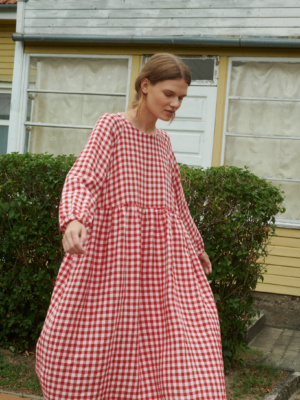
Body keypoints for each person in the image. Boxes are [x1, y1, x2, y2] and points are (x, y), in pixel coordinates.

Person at [36, 53, 227, 400]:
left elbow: (177, 203)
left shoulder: (163, 144)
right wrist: (75, 219)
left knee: (181, 347)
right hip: (112, 262)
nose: (176, 104)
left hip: (160, 268)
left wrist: (196, 247)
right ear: (145, 85)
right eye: (169, 94)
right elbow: (83, 176)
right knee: (98, 344)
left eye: (181, 97)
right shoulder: (111, 126)